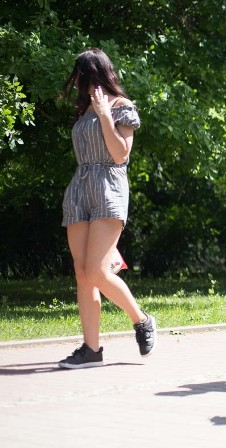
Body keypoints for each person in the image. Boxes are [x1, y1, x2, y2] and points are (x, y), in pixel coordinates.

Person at [57, 48, 156, 369]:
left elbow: (119, 155)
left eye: (84, 78)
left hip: (109, 189)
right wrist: (93, 111)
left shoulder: (121, 107)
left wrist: (104, 114)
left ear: (98, 75)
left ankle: (140, 319)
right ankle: (91, 349)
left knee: (98, 271)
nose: (81, 85)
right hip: (79, 187)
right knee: (83, 274)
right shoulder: (84, 110)